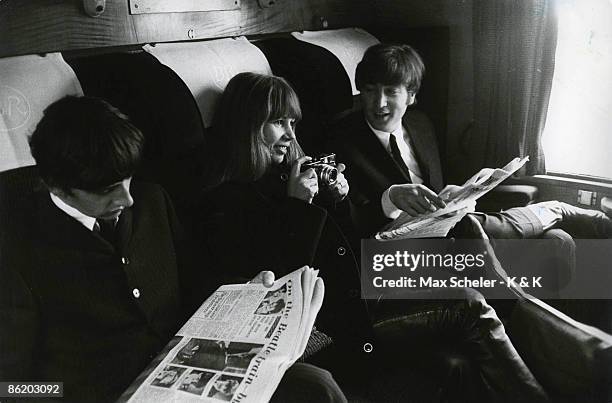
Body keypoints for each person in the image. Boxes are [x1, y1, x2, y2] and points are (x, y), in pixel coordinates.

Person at [195, 72, 550, 401]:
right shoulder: (226, 202)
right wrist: (298, 207)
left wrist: (339, 200)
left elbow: (343, 245)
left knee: (467, 270)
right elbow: (278, 286)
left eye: (291, 123)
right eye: (277, 123)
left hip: (359, 292)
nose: (290, 135)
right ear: (247, 127)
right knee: (466, 304)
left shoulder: (282, 178)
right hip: (329, 325)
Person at [0, 95, 347, 403]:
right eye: (108, 189)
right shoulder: (16, 250)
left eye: (128, 179)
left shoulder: (152, 201)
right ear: (57, 186)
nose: (127, 198)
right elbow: (11, 386)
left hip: (192, 367)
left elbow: (197, 279)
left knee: (316, 386)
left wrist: (247, 290)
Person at [330, 43, 612, 242]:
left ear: (411, 96)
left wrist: (457, 195)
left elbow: (438, 186)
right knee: (547, 222)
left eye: (390, 92)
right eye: (369, 91)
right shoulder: (341, 140)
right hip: (400, 248)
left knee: (558, 241)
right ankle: (564, 212)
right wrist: (389, 198)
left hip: (447, 228)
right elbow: (347, 221)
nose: (378, 103)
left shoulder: (420, 125)